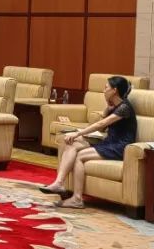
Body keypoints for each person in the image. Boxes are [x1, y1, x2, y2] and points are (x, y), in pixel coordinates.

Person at [40, 76, 137, 209]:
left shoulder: (125, 107)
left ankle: (77, 199)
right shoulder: (114, 106)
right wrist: (107, 109)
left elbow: (101, 124)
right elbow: (102, 128)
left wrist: (78, 133)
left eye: (106, 88)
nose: (103, 91)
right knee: (72, 144)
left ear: (114, 90)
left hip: (120, 147)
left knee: (80, 156)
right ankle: (59, 182)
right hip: (109, 142)